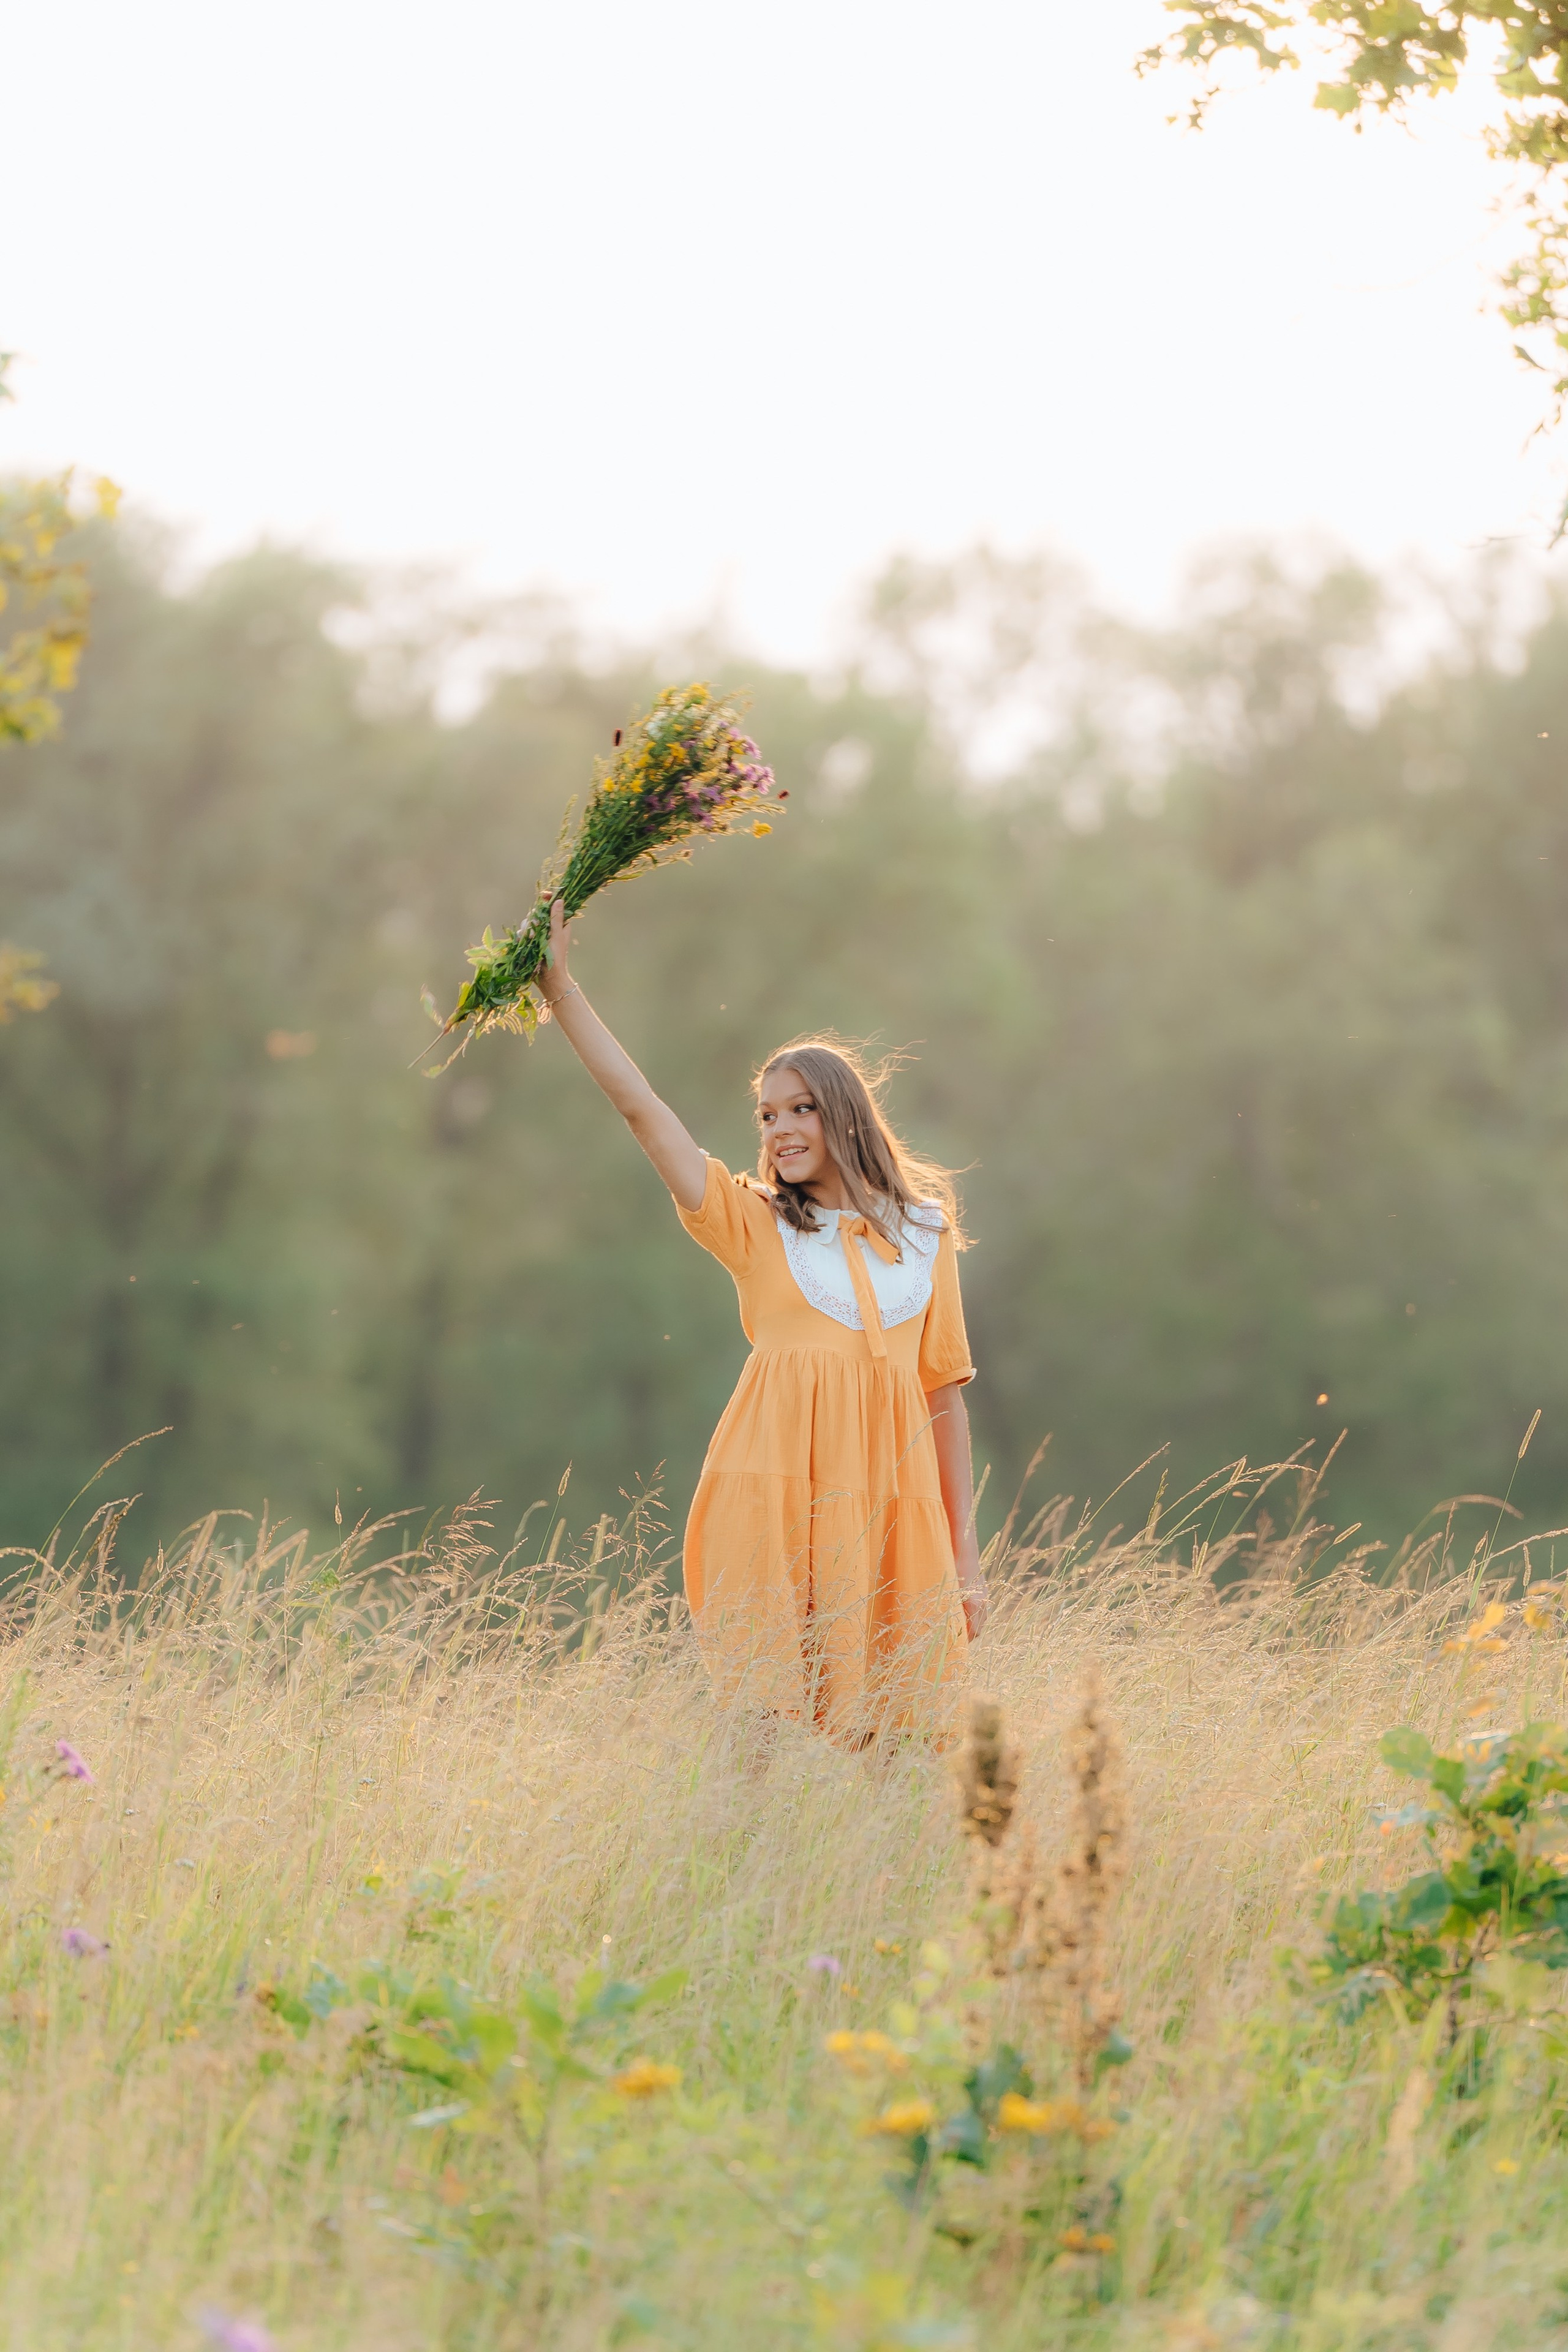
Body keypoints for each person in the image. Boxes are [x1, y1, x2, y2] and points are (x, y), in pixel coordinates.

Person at [537, 898, 987, 1749]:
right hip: (770, 1496)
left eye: (799, 1109)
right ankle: (743, 1874)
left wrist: (966, 1561)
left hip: (893, 1511)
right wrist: (563, 993)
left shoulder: (925, 1235)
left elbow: (944, 1402)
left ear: (844, 1112)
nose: (778, 1130)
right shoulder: (756, 1225)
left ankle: (864, 1886)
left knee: (901, 1742)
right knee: (765, 1731)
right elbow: (642, 1111)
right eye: (768, 1116)